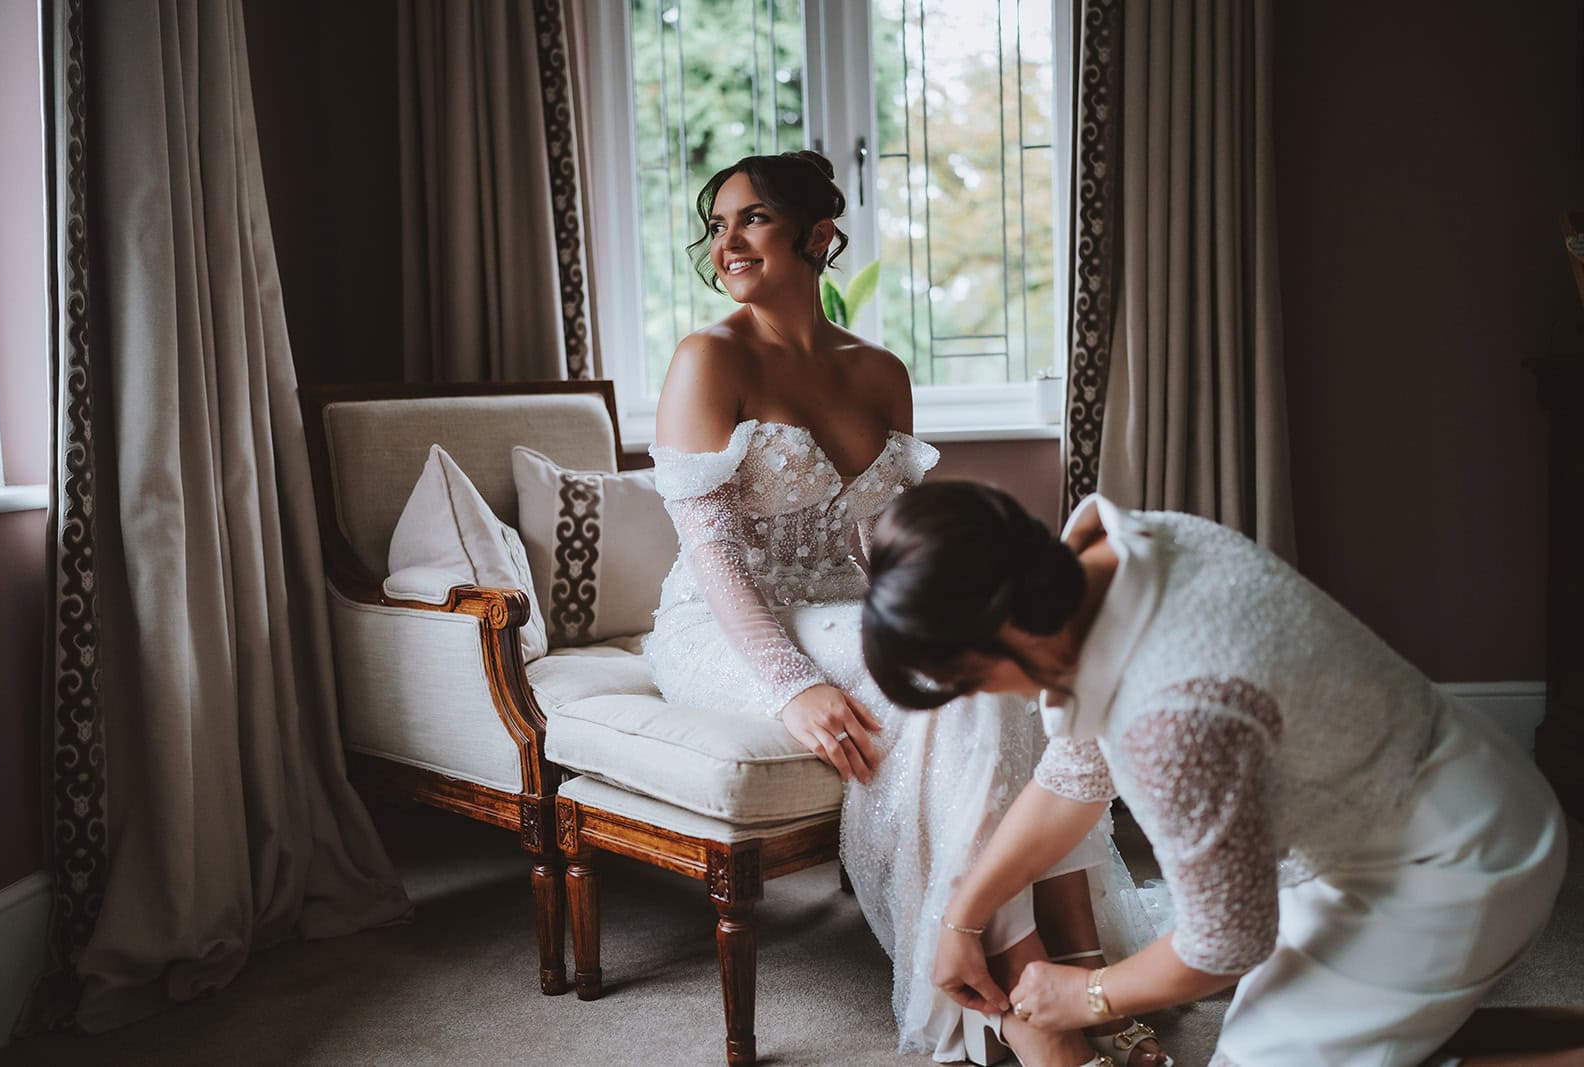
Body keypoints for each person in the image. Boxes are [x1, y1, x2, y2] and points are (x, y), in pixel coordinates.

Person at [642, 150, 1169, 1067]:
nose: (726, 242)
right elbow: (713, 554)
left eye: (752, 219)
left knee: (991, 672)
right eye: (717, 224)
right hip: (726, 625)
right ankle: (1025, 994)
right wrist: (791, 685)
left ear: (818, 236)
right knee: (944, 690)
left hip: (852, 608)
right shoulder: (708, 358)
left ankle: (1076, 960)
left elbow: (889, 545)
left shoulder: (878, 371)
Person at [859, 481, 1572, 1066]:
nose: (981, 697)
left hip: (1448, 862)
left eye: (971, 677)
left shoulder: (1170, 716)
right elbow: (1076, 772)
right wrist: (964, 911)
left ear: (1010, 626)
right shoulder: (1126, 551)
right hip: (1424, 783)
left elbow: (1227, 939)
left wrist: (1088, 995)